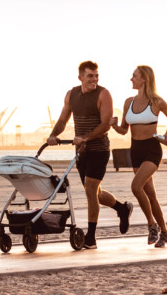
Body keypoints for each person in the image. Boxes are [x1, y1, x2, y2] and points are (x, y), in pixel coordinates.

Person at [47, 61, 133, 249]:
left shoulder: (104, 94)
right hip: (82, 151)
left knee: (90, 190)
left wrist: (85, 137)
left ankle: (91, 237)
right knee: (96, 192)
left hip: (99, 149)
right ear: (80, 78)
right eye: (90, 76)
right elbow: (63, 119)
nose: (94, 79)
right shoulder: (72, 94)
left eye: (96, 76)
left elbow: (105, 125)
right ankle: (122, 208)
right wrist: (53, 135)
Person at [110, 64, 167, 247]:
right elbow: (124, 130)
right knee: (151, 195)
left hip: (152, 149)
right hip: (135, 150)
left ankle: (151, 225)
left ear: (144, 79)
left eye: (134, 76)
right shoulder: (128, 102)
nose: (131, 79)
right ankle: (165, 233)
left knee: (136, 187)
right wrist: (114, 125)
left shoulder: (157, 101)